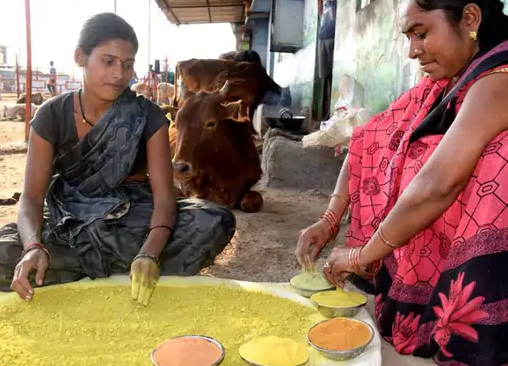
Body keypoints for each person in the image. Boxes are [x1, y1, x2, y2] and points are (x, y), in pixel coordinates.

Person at [296, 0, 508, 365]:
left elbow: (438, 185)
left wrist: (362, 256)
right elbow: (370, 138)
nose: (412, 52)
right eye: (408, 37)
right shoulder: (445, 84)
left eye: (421, 34)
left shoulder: (499, 81)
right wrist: (330, 219)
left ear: (470, 19)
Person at [0, 13, 236, 306]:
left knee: (214, 220)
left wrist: (150, 251)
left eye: (127, 64)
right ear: (80, 57)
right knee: (6, 250)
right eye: (108, 61)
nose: (118, 74)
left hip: (130, 220)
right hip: (69, 223)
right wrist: (34, 246)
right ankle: (126, 277)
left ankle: (114, 273)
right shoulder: (51, 115)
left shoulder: (148, 115)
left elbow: (164, 199)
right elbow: (32, 198)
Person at [317, 0, 337, 120]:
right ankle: (327, 115)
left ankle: (330, 114)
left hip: (332, 37)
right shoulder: (324, 4)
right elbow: (321, 9)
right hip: (322, 38)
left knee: (332, 77)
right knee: (327, 76)